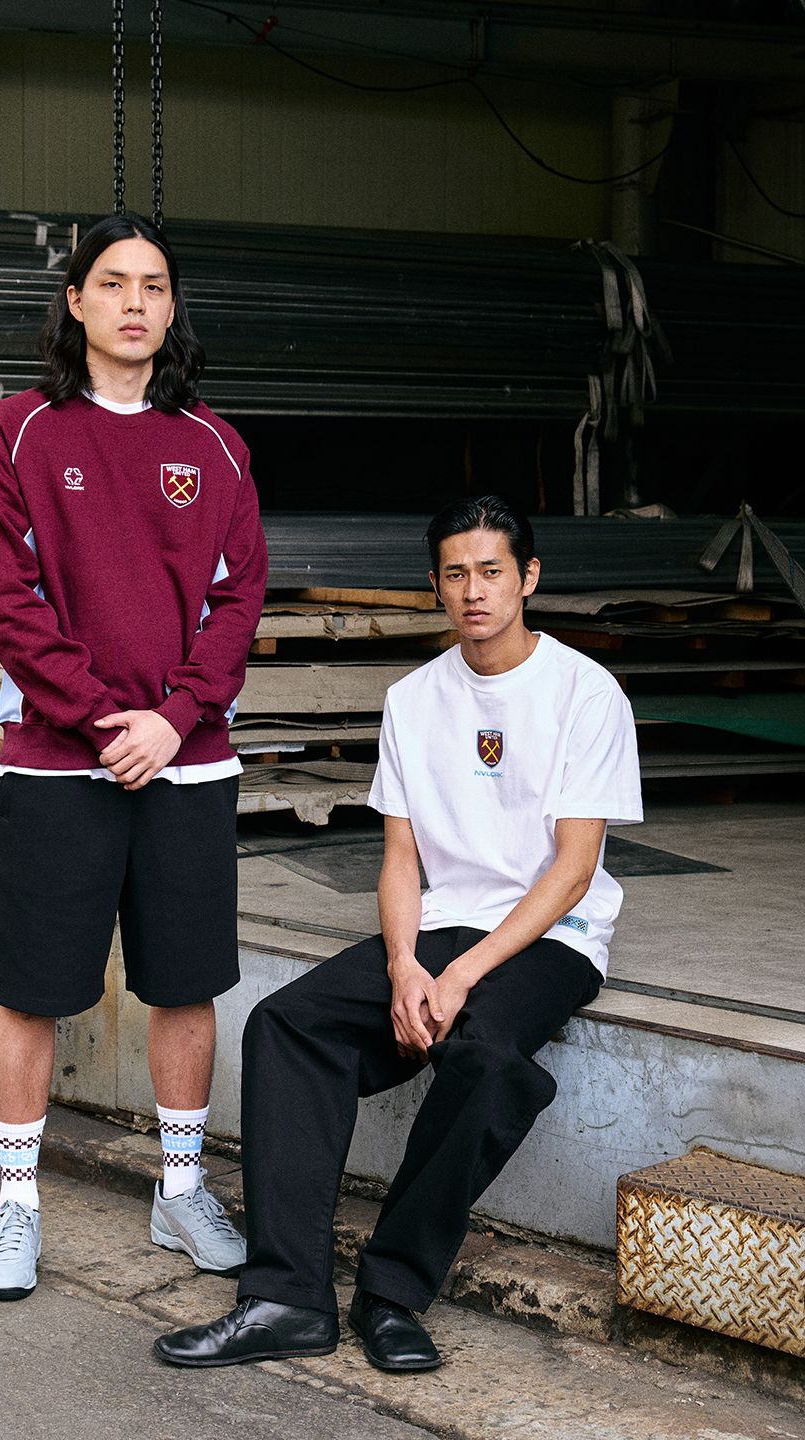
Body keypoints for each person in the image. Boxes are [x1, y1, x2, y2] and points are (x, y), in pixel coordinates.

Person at [155, 494, 642, 1371]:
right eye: (456, 574)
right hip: (441, 928)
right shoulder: (414, 699)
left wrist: (460, 978)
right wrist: (406, 965)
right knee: (287, 1024)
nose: (474, 591)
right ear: (435, 586)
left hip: (553, 937)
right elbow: (400, 862)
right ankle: (286, 1298)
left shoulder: (584, 692)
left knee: (486, 1057)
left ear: (528, 577)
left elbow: (573, 871)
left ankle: (390, 1293)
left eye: (492, 571)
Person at [0, 213, 268, 1301]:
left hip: (187, 762)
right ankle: (17, 1205)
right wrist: (105, 722)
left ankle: (180, 1189)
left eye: (153, 285)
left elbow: (239, 600)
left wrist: (175, 720)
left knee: (185, 986)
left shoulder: (216, 446)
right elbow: (8, 603)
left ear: (172, 307)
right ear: (76, 301)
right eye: (112, 282)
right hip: (60, 762)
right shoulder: (18, 432)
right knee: (31, 991)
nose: (135, 302)